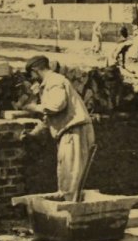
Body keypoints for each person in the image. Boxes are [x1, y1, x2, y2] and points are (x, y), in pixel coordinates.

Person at [25, 55, 96, 202]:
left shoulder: (54, 81)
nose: (32, 79)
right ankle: (69, 211)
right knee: (67, 173)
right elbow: (49, 117)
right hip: (71, 131)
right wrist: (34, 133)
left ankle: (68, 215)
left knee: (70, 174)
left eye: (31, 74)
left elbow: (57, 106)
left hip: (74, 130)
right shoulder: (51, 83)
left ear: (35, 70)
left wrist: (34, 107)